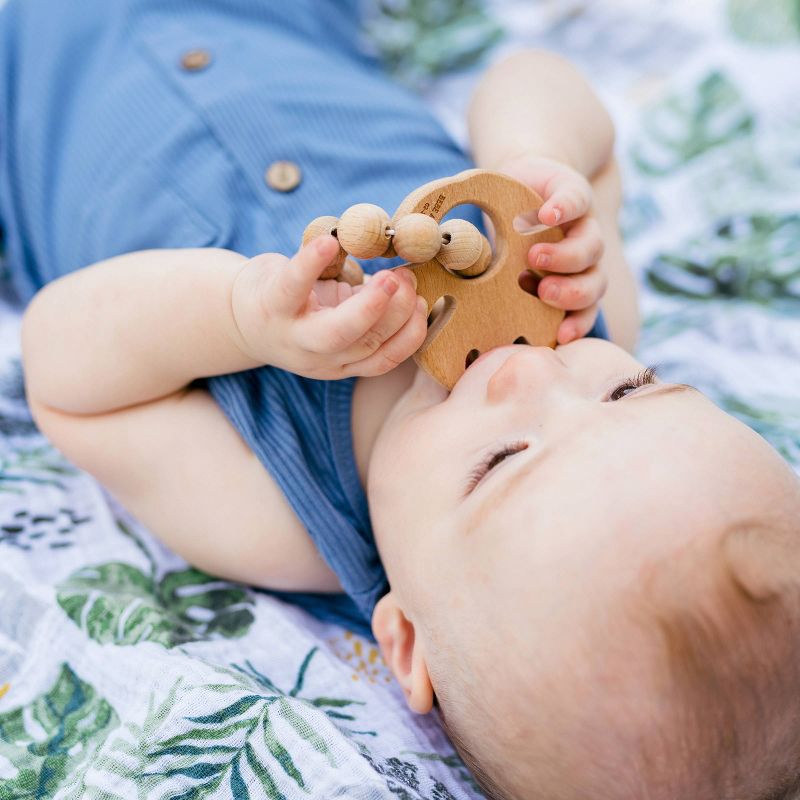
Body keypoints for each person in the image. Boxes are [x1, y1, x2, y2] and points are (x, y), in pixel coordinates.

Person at [6, 2, 800, 798]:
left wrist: (239, 316)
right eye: (629, 389)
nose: (537, 375)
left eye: (499, 463)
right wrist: (537, 169)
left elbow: (68, 377)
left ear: (408, 641)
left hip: (33, 80)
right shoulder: (577, 306)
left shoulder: (283, 516)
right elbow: (538, 82)